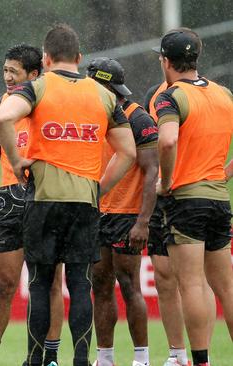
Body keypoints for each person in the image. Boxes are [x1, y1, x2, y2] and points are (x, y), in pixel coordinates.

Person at [0, 24, 136, 366]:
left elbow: (2, 118)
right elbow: (128, 151)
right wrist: (99, 185)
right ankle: (82, 360)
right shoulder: (102, 95)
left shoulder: (37, 87)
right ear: (79, 58)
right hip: (84, 202)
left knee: (41, 282)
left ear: (45, 58)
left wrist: (15, 160)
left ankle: (34, 358)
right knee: (80, 283)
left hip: (43, 198)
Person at [0, 44, 64, 366]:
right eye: (5, 71)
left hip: (45, 197)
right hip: (9, 199)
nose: (8, 78)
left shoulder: (50, 104)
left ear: (34, 74)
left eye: (14, 72)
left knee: (50, 281)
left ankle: (51, 357)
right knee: (5, 283)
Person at [155, 27, 233, 366]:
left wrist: (167, 181)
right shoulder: (223, 94)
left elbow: (168, 140)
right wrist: (223, 175)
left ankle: (201, 361)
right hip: (219, 197)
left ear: (166, 61)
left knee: (191, 284)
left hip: (186, 199)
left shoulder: (170, 96)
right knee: (226, 286)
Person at [87, 58, 158, 366]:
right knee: (100, 285)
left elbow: (152, 171)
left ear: (104, 86)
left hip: (128, 214)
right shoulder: (91, 116)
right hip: (95, 211)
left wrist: (143, 222)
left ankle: (141, 359)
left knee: (129, 285)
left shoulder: (137, 118)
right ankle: (105, 358)